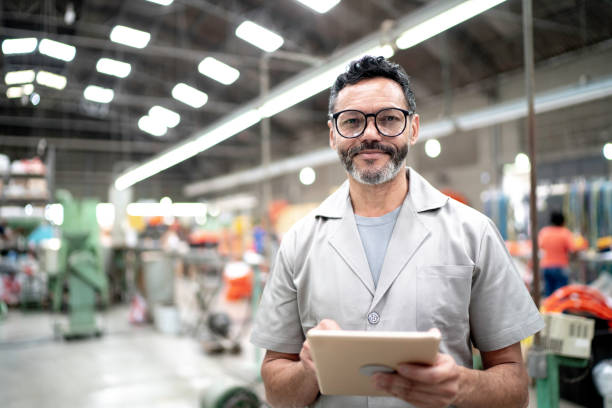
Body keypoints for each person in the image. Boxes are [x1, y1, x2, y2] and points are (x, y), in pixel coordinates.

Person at [250, 55, 544, 408]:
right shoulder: (299, 243)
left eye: (389, 119)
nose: (370, 134)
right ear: (333, 134)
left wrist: (460, 385)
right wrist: (310, 369)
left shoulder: (473, 234)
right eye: (352, 121)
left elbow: (515, 387)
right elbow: (276, 390)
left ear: (413, 128)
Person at [538, 211, 574, 297]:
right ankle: (560, 310)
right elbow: (572, 249)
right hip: (561, 266)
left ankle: (549, 309)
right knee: (561, 294)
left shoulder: (544, 232)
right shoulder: (565, 233)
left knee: (549, 293)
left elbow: (541, 246)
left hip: (546, 266)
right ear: (563, 221)